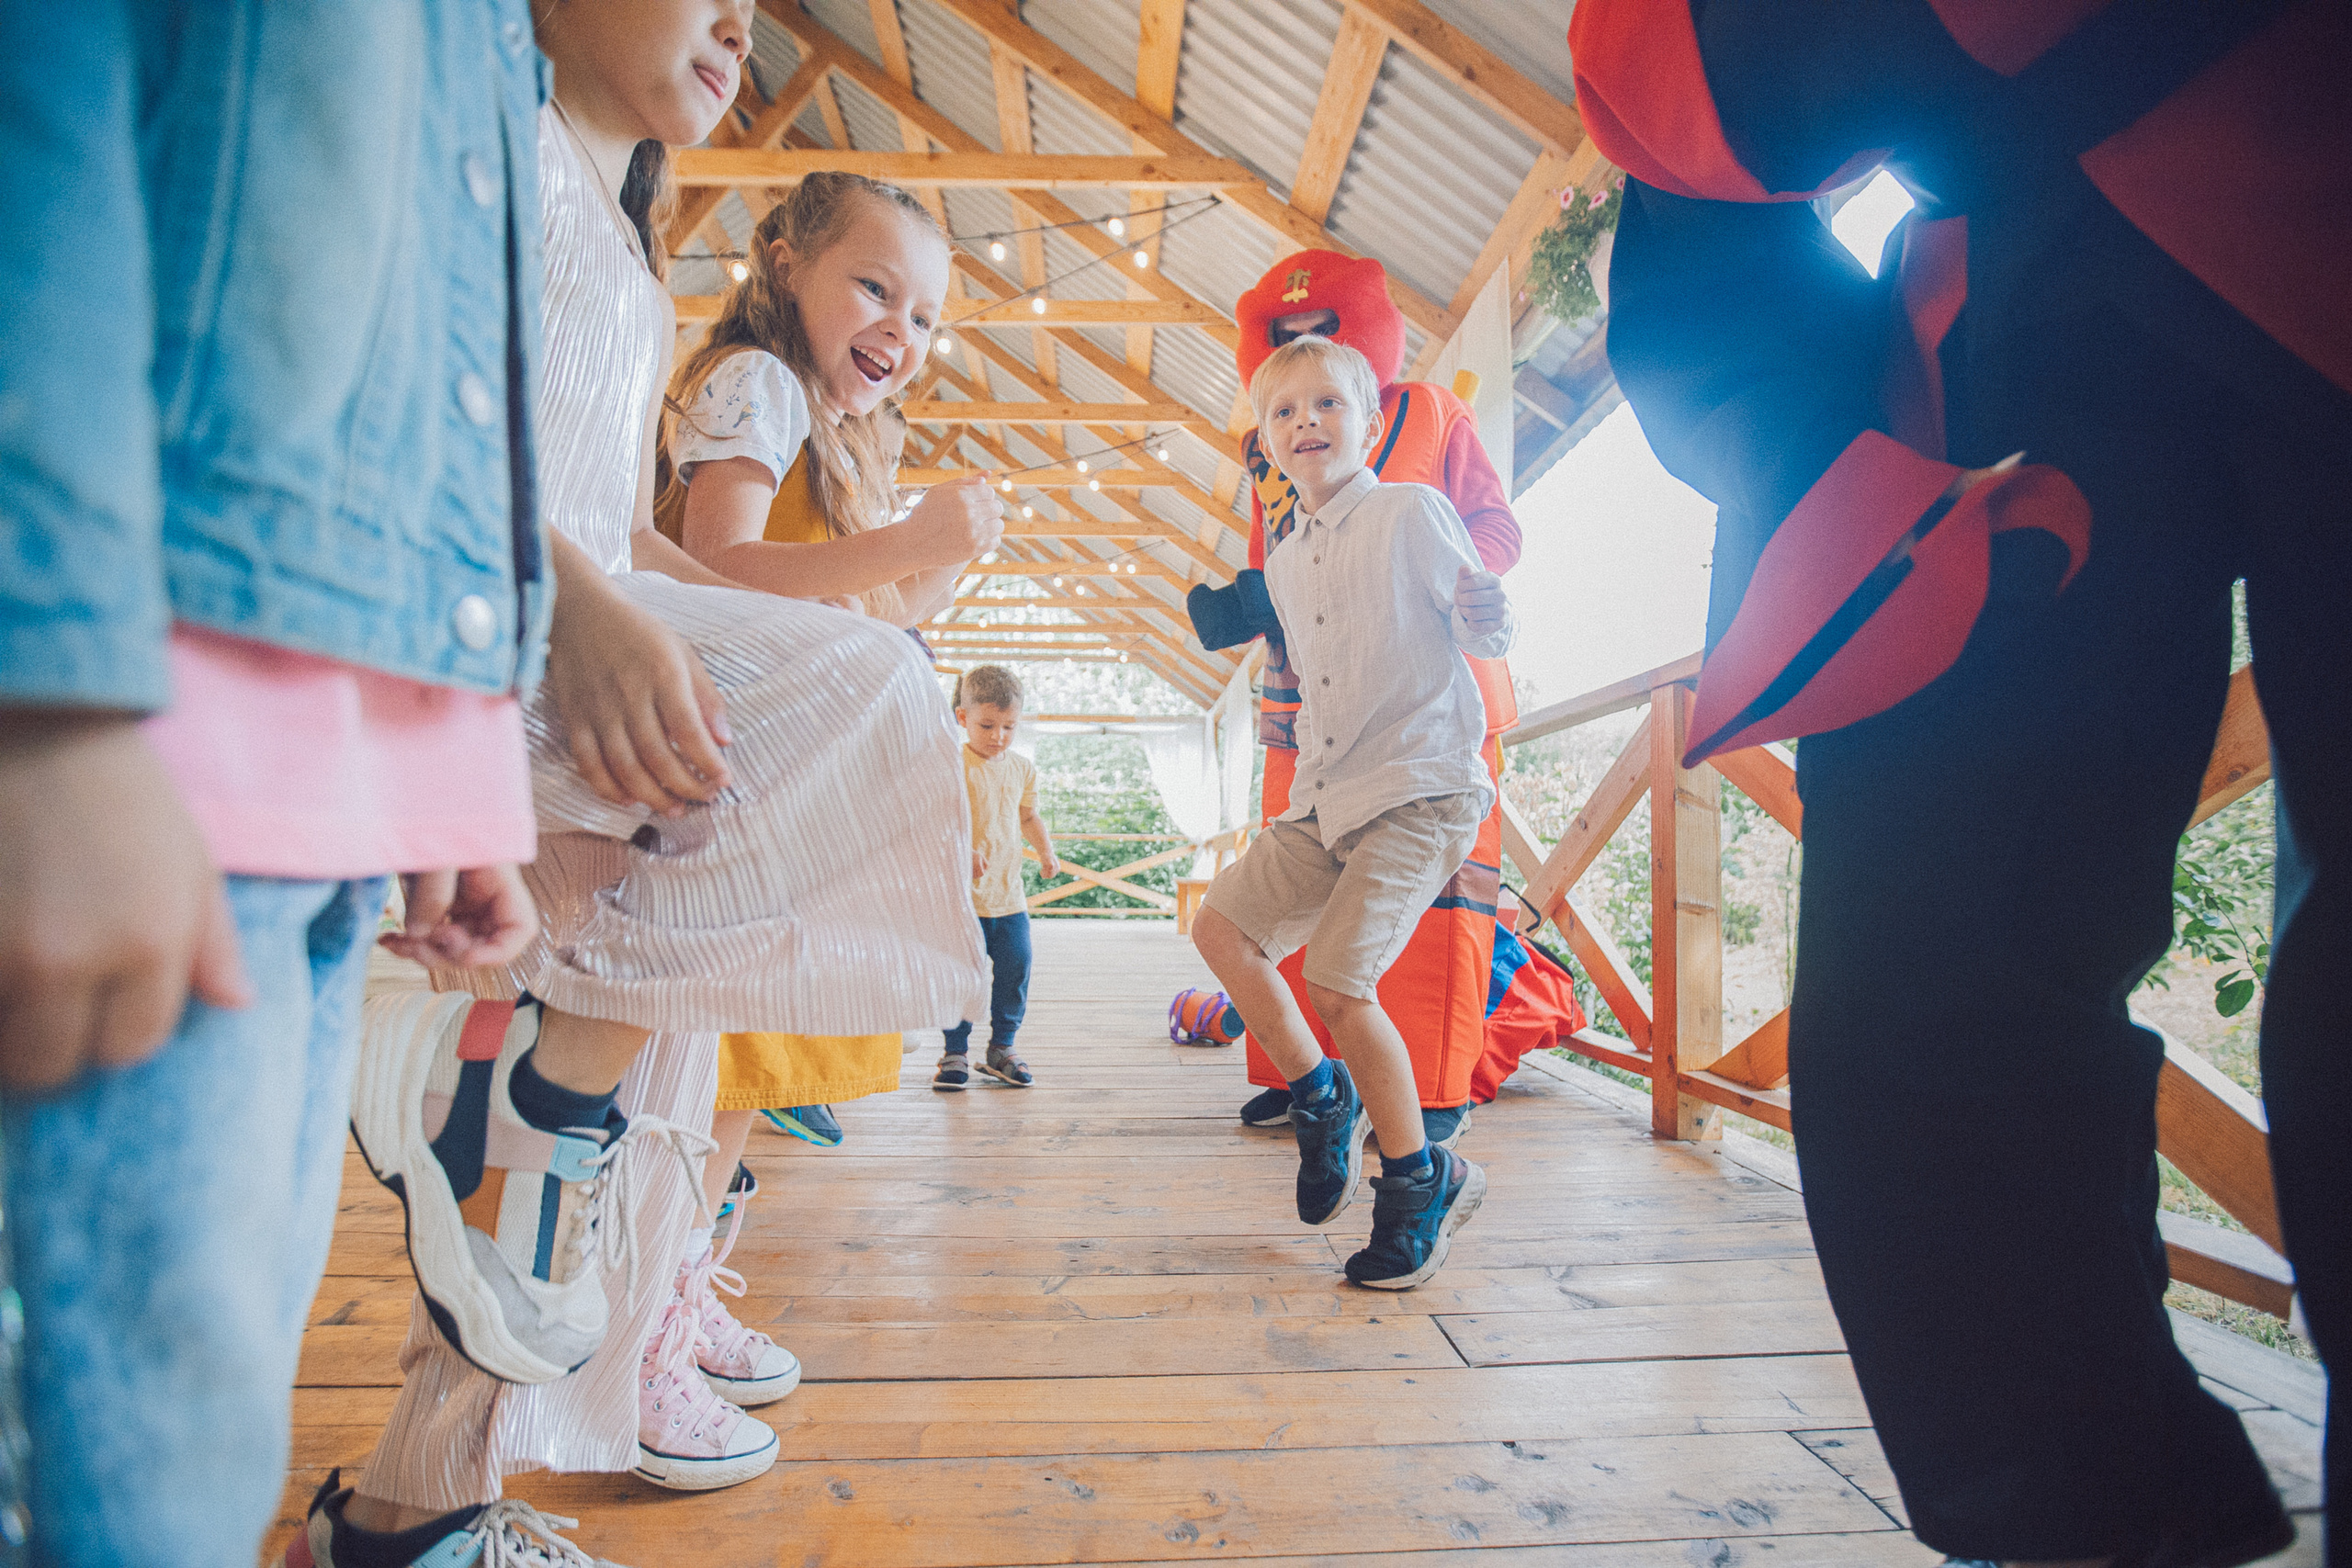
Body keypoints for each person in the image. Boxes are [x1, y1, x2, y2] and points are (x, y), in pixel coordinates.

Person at [1570, 0, 2346, 1562]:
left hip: (2110, 262)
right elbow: (1687, 129)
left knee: (1938, 973)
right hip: (2020, 333)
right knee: (1929, 972)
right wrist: (1822, 443)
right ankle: (2069, 1517)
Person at [285, 5, 985, 1563]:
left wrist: (639, 594)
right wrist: (597, 600)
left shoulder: (619, 251)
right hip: (485, 653)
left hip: (570, 674)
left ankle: (419, 1514)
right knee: (856, 693)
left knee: (537, 1222)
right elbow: (419, 417)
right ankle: (521, 1097)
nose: (735, 20)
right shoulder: (501, 160)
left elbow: (629, 532)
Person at [0, 6, 547, 1565]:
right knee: (119, 1466)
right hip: (143, 729)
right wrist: (49, 684)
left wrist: (447, 753)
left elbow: (437, 311)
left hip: (322, 781)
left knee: (215, 1414)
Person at [655, 165, 1001, 1387]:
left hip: (779, 797)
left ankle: (675, 1305)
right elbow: (712, 565)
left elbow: (874, 612)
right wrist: (910, 540)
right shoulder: (754, 384)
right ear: (787, 266)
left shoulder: (841, 431)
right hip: (719, 783)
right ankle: (644, 1333)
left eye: (923, 318)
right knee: (700, 1076)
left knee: (740, 1077)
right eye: (875, 287)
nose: (900, 333)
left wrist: (939, 565)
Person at [1190, 336, 1516, 1290]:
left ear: (1370, 423)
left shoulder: (1413, 511)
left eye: (1329, 404)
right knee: (1222, 930)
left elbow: (1474, 625)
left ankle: (1420, 1182)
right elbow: (1320, 686)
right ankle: (1319, 1093)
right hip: (1327, 795)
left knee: (1338, 982)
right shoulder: (1287, 561)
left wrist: (1486, 611)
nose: (1307, 424)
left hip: (1418, 786)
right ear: (1264, 444)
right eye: (1285, 413)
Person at [932, 666, 1058, 1091]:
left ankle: (1003, 1047)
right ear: (962, 718)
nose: (999, 735)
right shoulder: (950, 764)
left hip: (1009, 897)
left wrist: (1045, 850)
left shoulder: (1022, 768)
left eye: (1009, 726)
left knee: (1015, 968)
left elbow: (1027, 815)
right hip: (961, 899)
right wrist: (959, 848)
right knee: (963, 976)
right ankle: (954, 1052)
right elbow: (934, 818)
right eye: (987, 725)